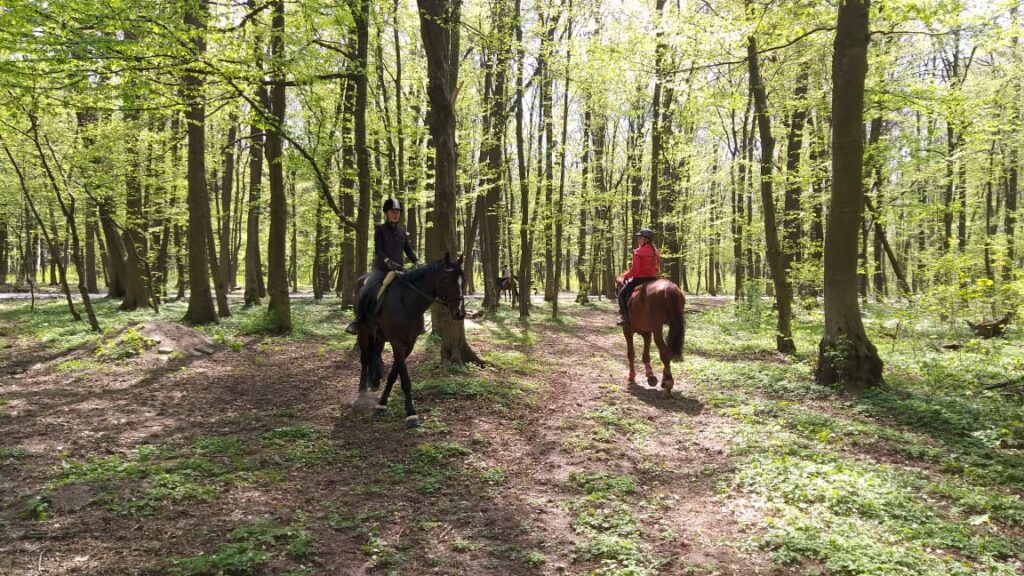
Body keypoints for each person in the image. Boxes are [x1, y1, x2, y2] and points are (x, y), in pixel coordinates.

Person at [345, 198, 419, 334]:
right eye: (392, 211)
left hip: (399, 270)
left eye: (398, 211)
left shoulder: (402, 232)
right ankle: (358, 320)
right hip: (381, 269)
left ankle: (416, 323)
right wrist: (387, 261)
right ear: (386, 213)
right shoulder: (380, 229)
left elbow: (408, 250)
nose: (395, 214)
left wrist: (417, 262)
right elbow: (378, 249)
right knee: (366, 288)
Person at [617, 228, 660, 326]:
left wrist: (625, 275)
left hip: (640, 279)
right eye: (638, 238)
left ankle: (625, 317)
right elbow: (657, 268)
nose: (638, 240)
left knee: (621, 295)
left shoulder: (638, 252)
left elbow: (635, 270)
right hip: (653, 279)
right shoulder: (656, 252)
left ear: (647, 240)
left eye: (640, 238)